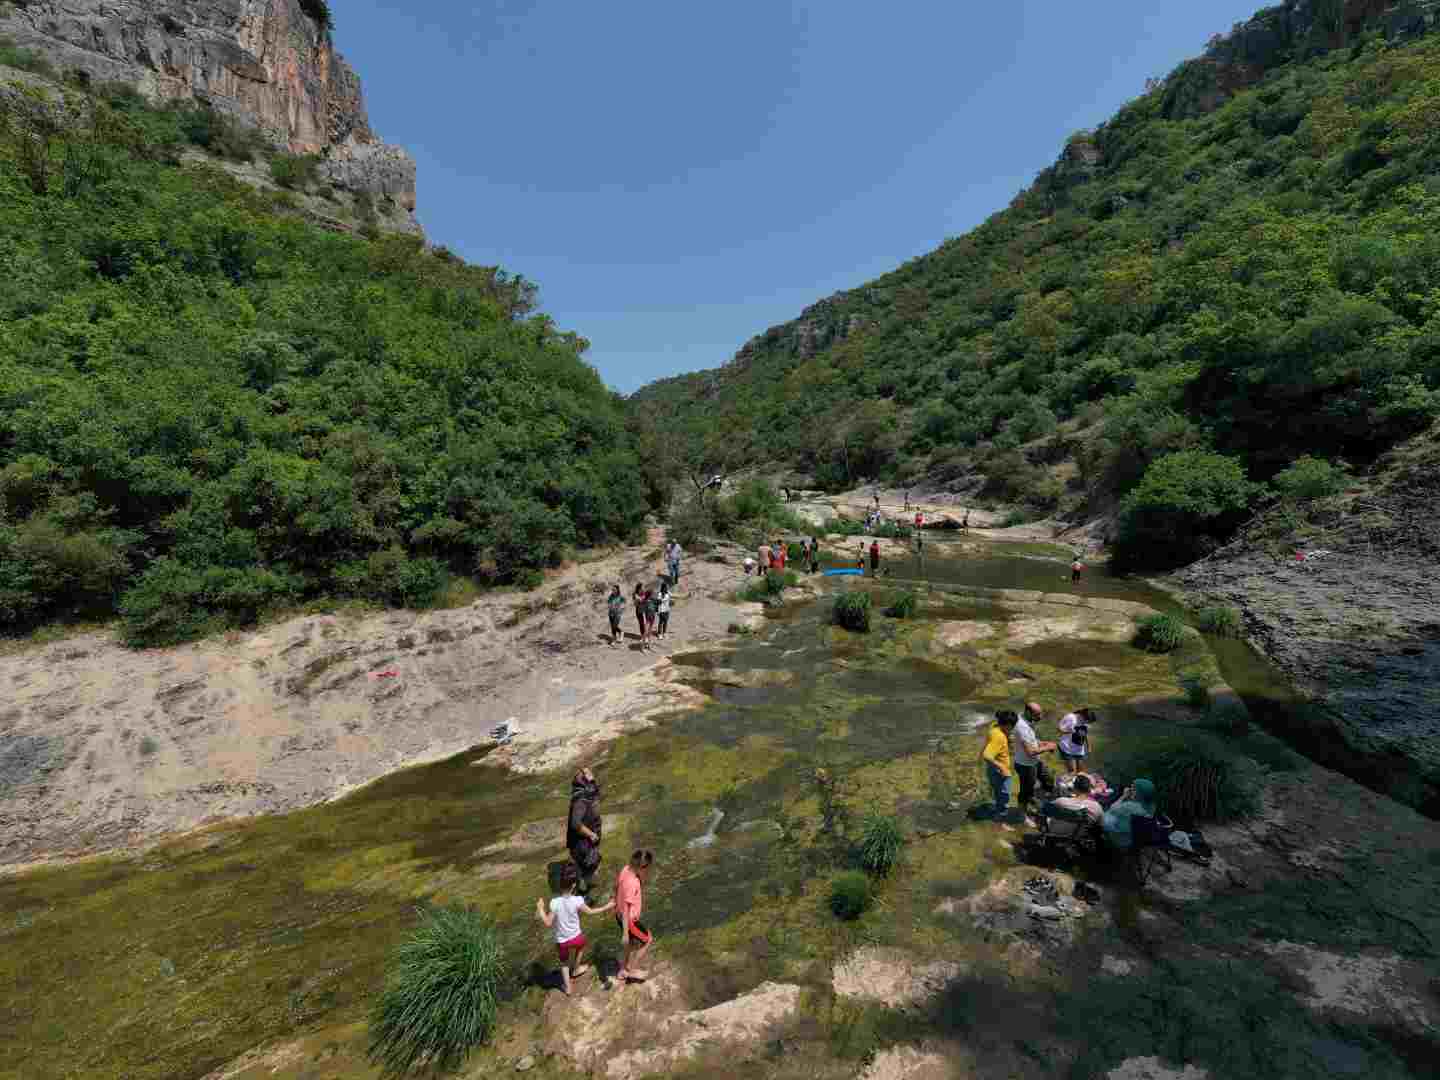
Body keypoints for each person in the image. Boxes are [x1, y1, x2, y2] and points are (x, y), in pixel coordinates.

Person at [536, 862, 613, 995]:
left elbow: (548, 923)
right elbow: (591, 912)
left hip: (562, 941)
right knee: (581, 947)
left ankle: (568, 988)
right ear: (573, 885)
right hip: (577, 938)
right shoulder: (578, 900)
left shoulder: (554, 903)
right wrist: (607, 906)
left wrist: (541, 909)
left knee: (564, 964)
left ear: (559, 884)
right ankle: (577, 968)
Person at [615, 848, 655, 983]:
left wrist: (615, 903)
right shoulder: (633, 883)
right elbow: (627, 908)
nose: (648, 871)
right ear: (643, 867)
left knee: (630, 944)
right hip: (629, 920)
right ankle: (632, 970)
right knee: (648, 940)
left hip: (619, 915)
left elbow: (617, 886)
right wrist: (625, 932)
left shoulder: (625, 869)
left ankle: (622, 970)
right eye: (647, 868)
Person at [1013, 702, 1058, 821]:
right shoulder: (1021, 727)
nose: (1040, 717)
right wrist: (1047, 748)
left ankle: (1036, 800)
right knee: (1025, 791)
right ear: (1028, 712)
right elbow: (1030, 752)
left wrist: (1042, 743)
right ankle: (1022, 815)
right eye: (1037, 714)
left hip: (1034, 761)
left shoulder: (1025, 718)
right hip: (1025, 764)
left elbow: (1030, 739)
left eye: (1040, 713)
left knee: (1048, 780)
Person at [566, 768, 603, 894]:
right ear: (583, 781)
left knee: (590, 864)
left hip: (587, 840)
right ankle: (583, 894)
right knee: (588, 865)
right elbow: (576, 823)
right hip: (582, 842)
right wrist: (591, 834)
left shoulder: (588, 791)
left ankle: (584, 887)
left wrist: (591, 779)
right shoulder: (580, 800)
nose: (592, 775)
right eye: (588, 775)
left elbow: (595, 790)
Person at [983, 711, 1019, 829]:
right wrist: (1002, 767)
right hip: (1000, 772)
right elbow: (987, 755)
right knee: (1005, 797)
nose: (1013, 729)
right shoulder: (999, 737)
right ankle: (1000, 821)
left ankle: (996, 807)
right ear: (1008, 725)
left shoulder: (994, 727)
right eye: (1012, 727)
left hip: (992, 770)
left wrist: (1008, 738)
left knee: (998, 792)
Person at [1102, 779, 1157, 852]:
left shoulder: (1129, 806)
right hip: (1139, 839)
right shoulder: (1151, 806)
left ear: (1140, 793)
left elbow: (1112, 807)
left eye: (1133, 789)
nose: (1130, 790)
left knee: (1102, 821)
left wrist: (1123, 796)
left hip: (1122, 839)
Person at [1057, 708, 1095, 773]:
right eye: (1088, 721)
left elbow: (1085, 733)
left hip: (1079, 749)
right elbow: (1059, 729)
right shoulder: (1071, 718)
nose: (1087, 723)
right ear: (1083, 715)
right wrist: (1068, 731)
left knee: (1080, 771)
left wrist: (1089, 746)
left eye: (1089, 722)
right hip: (1067, 748)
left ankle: (1077, 782)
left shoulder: (1085, 721)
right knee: (1071, 771)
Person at [633, 583, 650, 649]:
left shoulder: (645, 593)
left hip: (646, 609)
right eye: (642, 587)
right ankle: (643, 636)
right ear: (639, 588)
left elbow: (648, 599)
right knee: (641, 624)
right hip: (639, 610)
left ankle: (646, 637)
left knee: (647, 624)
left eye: (644, 587)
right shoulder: (635, 594)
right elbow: (635, 603)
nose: (644, 589)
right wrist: (638, 600)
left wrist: (644, 599)